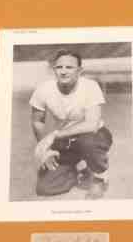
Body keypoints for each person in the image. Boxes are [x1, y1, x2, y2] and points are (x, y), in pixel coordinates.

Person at [29, 50, 113, 199]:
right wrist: (46, 150)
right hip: (65, 141)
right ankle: (79, 168)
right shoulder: (43, 89)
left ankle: (99, 177)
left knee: (88, 142)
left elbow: (91, 125)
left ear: (80, 70)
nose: (63, 71)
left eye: (69, 67)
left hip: (94, 136)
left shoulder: (90, 86)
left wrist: (55, 135)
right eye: (59, 67)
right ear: (54, 69)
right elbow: (37, 121)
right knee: (45, 188)